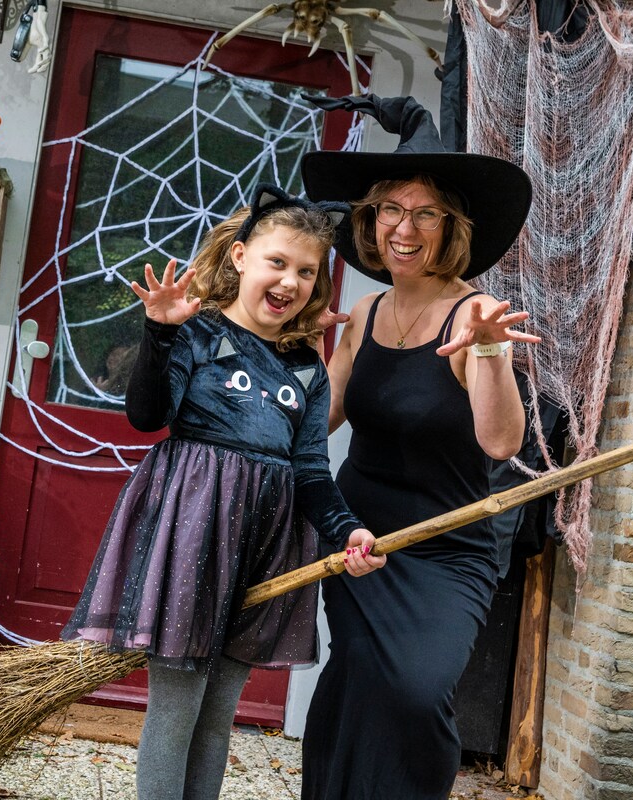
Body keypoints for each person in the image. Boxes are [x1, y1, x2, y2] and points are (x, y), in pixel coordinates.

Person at [61, 185, 386, 800]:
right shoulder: (197, 334)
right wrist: (159, 333)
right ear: (239, 256)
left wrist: (348, 530)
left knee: (217, 718)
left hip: (267, 549)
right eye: (277, 262)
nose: (290, 281)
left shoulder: (306, 369)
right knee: (177, 709)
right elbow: (146, 417)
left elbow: (311, 471)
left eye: (307, 271)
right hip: (191, 535)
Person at [297, 95, 541, 799]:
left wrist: (488, 353)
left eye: (426, 214)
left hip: (447, 550)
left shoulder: (473, 314)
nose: (404, 228)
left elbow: (501, 440)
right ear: (371, 219)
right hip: (359, 540)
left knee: (416, 690)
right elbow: (320, 421)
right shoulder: (365, 311)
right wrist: (288, 355)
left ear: (452, 227)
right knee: (357, 678)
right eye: (390, 209)